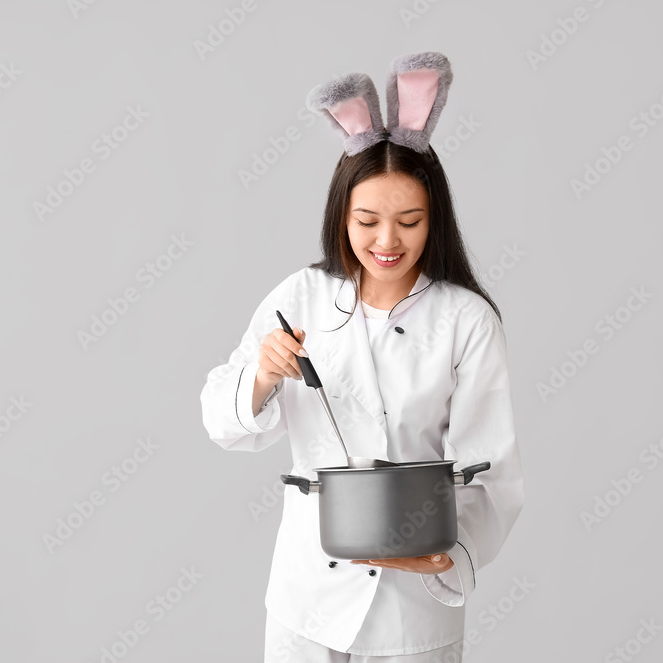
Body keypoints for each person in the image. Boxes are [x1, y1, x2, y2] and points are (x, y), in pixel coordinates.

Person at [200, 52, 525, 662]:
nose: (386, 241)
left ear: (436, 221)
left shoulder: (465, 320)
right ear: (340, 214)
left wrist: (449, 557)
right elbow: (221, 420)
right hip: (308, 600)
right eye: (368, 219)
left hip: (415, 610)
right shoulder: (301, 295)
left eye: (409, 221)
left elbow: (493, 473)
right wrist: (261, 376)